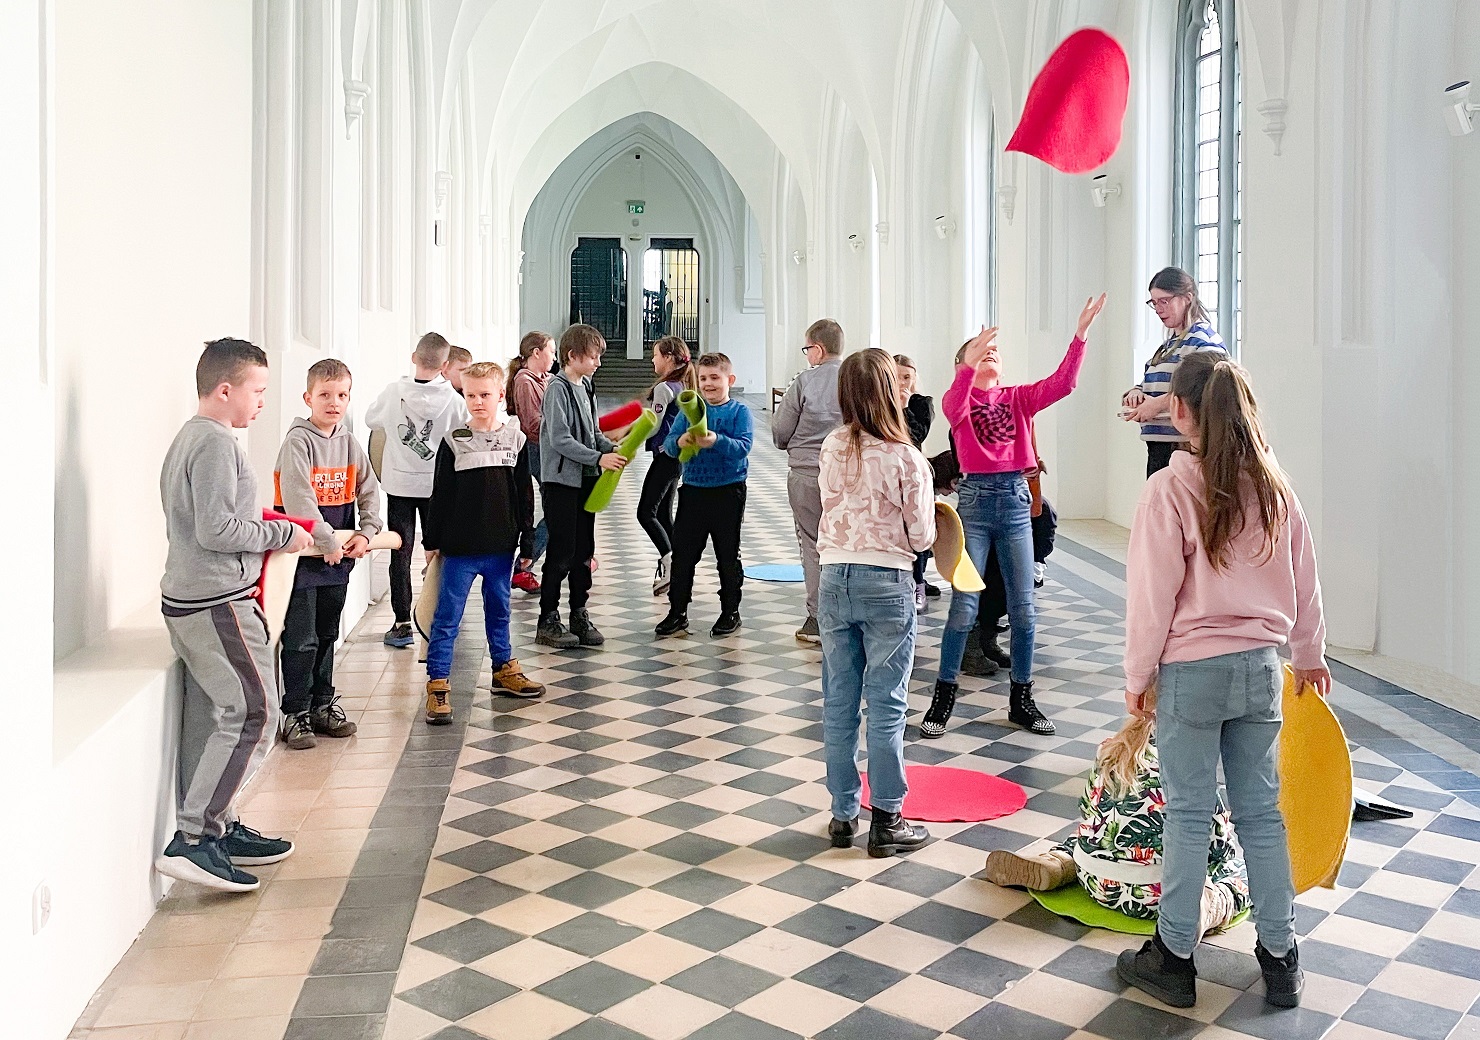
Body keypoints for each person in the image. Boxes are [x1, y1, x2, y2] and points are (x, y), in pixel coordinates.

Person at [1115, 351, 1327, 1011]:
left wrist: (1137, 676)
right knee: (1262, 814)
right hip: (1263, 668)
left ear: (1178, 411)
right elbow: (1305, 578)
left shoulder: (1169, 490)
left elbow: (1153, 597)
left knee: (1188, 814)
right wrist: (1311, 652)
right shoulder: (1274, 486)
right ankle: (1282, 957)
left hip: (1192, 671)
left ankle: (1174, 956)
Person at [156, 338, 312, 892]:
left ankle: (214, 829)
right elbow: (217, 531)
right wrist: (285, 533)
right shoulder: (216, 444)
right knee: (254, 712)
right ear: (225, 390)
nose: (263, 402)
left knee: (218, 716)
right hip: (216, 601)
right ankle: (195, 841)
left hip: (196, 598)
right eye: (258, 390)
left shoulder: (194, 437)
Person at [923, 295, 1106, 740]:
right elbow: (953, 406)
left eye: (994, 352)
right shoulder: (959, 403)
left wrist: (1079, 335)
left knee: (1025, 610)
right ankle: (942, 697)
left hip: (1014, 503)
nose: (990, 354)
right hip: (976, 505)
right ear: (962, 365)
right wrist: (968, 365)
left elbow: (1063, 383)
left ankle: (1022, 698)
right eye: (980, 351)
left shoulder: (1017, 398)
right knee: (964, 605)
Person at [985, 691, 1251, 938]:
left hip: (1094, 882)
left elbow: (1087, 812)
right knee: (1244, 868)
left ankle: (1058, 863)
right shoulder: (1193, 764)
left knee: (1094, 831)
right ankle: (1209, 906)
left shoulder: (1112, 749)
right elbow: (1217, 848)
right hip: (1161, 898)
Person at [816, 349, 936, 857]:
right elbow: (923, 533)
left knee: (838, 701)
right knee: (886, 704)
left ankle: (843, 815)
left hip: (832, 577)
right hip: (886, 582)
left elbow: (826, 503)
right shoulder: (906, 456)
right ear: (891, 390)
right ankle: (887, 818)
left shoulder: (832, 445)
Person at [422, 362, 545, 724]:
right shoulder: (453, 441)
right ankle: (438, 683)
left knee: (500, 610)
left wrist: (527, 541)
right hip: (460, 548)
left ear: (500, 396)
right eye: (470, 395)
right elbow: (440, 494)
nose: (477, 401)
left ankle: (504, 669)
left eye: (485, 395)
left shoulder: (515, 439)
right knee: (447, 617)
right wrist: (432, 541)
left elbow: (524, 493)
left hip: (500, 546)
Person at [272, 359, 383, 749]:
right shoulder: (298, 443)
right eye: (325, 394)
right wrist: (326, 540)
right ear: (308, 398)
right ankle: (295, 712)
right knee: (300, 638)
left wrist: (367, 532)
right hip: (302, 560)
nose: (334, 402)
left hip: (337, 561)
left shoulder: (350, 442)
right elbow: (300, 500)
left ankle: (322, 705)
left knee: (326, 634)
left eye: (341, 395)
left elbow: (370, 490)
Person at [365, 332, 468, 648]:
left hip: (400, 484)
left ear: (414, 357)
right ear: (446, 364)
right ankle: (441, 617)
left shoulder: (395, 392)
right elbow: (463, 437)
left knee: (401, 551)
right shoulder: (453, 400)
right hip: (436, 486)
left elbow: (371, 420)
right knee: (440, 550)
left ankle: (402, 623)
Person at [537, 323, 626, 649]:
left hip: (586, 479)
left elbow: (592, 432)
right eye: (593, 357)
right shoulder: (557, 389)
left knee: (584, 551)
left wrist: (609, 449)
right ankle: (548, 619)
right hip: (561, 480)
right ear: (572, 356)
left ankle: (579, 612)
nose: (598, 363)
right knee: (562, 550)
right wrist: (597, 458)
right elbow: (560, 440)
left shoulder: (585, 385)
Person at [654, 353, 754, 638]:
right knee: (684, 555)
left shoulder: (739, 412)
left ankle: (730, 611)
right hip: (693, 491)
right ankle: (677, 612)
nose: (708, 384)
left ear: (729, 381)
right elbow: (670, 446)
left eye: (715, 378)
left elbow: (743, 447)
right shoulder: (689, 411)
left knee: (727, 555)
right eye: (703, 378)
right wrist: (680, 441)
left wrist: (716, 440)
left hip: (728, 491)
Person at [773, 318, 845, 644]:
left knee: (813, 545)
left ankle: (817, 619)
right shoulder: (855, 379)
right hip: (849, 476)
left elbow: (779, 431)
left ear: (818, 349)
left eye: (807, 349)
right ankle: (846, 616)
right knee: (845, 545)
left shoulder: (805, 381)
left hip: (807, 473)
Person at [1121, 267, 1226, 477]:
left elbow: (1207, 387)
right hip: (1160, 444)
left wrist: (1157, 404)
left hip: (1184, 446)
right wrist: (1136, 393)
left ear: (1187, 298)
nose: (1158, 309)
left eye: (1164, 301)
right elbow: (1150, 381)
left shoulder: (1203, 339)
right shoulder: (1168, 345)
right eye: (1154, 303)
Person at [961, 498, 1058, 677]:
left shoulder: (1040, 507)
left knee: (999, 599)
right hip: (981, 564)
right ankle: (969, 649)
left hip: (1010, 565)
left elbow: (1044, 543)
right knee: (980, 597)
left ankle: (987, 642)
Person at [638, 335, 699, 596]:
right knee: (663, 514)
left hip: (666, 457)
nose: (653, 359)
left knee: (645, 512)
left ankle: (670, 561)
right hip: (677, 459)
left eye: (656, 355)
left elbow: (654, 425)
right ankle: (679, 566)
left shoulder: (665, 388)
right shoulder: (684, 385)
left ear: (669, 358)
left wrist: (628, 437)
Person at [508, 332, 556, 594]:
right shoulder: (524, 381)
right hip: (536, 450)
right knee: (557, 509)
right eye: (551, 351)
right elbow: (532, 424)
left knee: (559, 508)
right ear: (536, 352)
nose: (554, 357)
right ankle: (522, 564)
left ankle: (526, 562)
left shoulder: (546, 379)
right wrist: (560, 432)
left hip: (548, 448)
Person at [894, 353, 936, 612]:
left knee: (918, 528)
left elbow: (917, 434)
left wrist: (904, 406)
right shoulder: (882, 402)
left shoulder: (922, 403)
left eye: (907, 377)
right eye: (897, 377)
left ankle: (919, 582)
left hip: (917, 474)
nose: (902, 383)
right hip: (889, 473)